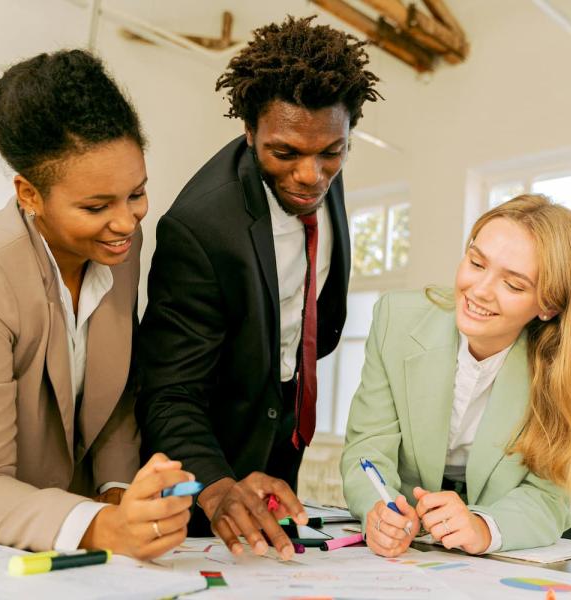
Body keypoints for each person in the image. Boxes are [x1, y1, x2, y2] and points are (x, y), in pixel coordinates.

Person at [0, 49, 193, 558]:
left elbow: (114, 391)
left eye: (137, 194)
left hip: (54, 522)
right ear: (30, 194)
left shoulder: (119, 247)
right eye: (97, 206)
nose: (126, 222)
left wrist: (121, 495)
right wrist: (105, 526)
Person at [137, 16, 381, 559]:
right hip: (207, 470)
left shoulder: (319, 166)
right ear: (250, 133)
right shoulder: (200, 228)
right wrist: (217, 488)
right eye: (285, 154)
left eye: (331, 154)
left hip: (282, 446)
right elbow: (170, 391)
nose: (311, 176)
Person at [341, 194, 571, 557]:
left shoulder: (566, 367)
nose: (479, 291)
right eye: (476, 262)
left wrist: (483, 527)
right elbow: (368, 446)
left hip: (494, 559)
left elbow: (549, 497)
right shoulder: (396, 318)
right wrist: (379, 509)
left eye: (513, 285)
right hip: (404, 549)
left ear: (548, 305)